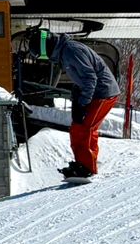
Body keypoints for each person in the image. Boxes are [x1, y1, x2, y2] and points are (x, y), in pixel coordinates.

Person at [50, 32, 121, 179]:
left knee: (87, 128)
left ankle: (87, 168)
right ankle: (81, 163)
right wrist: (76, 98)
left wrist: (83, 102)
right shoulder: (65, 52)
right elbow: (80, 79)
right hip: (92, 93)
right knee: (77, 128)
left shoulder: (71, 50)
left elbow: (90, 77)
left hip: (103, 93)